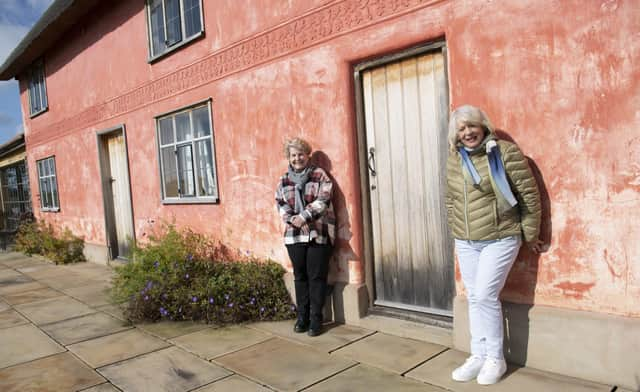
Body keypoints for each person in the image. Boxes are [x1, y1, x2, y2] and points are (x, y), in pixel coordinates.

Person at [445, 105, 542, 385]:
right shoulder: (454, 159)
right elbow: (450, 199)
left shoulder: (505, 152)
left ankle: (495, 359)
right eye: (461, 129)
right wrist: (456, 229)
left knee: (486, 295)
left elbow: (528, 195)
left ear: (483, 126)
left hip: (501, 236)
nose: (467, 133)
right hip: (466, 240)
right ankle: (478, 355)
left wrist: (530, 235)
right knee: (475, 297)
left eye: (472, 126)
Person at [275, 137, 335, 337]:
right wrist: (291, 219)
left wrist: (304, 216)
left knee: (316, 278)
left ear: (307, 154)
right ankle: (303, 317)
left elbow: (324, 199)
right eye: (293, 155)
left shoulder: (320, 175)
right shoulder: (283, 180)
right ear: (289, 158)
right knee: (300, 278)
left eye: (301, 154)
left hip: (317, 233)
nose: (297, 158)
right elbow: (280, 203)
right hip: (294, 235)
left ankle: (316, 319)